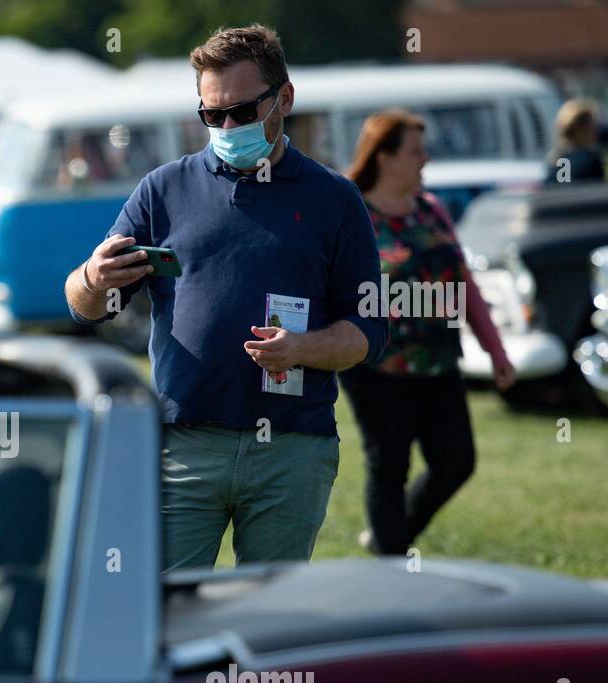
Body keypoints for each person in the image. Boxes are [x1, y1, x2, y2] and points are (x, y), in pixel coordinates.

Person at [64, 24, 387, 571]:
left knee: (269, 614)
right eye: (212, 116)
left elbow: (370, 331)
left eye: (241, 111)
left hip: (292, 448)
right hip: (183, 444)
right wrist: (94, 278)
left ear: (284, 99)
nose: (228, 127)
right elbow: (83, 307)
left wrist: (302, 349)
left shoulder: (335, 198)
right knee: (169, 607)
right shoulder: (163, 189)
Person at [340, 109, 516, 556]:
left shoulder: (432, 210)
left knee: (456, 461)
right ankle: (393, 562)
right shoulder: (352, 213)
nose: (426, 159)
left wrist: (496, 351)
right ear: (385, 157)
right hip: (376, 368)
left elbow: (464, 283)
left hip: (439, 361)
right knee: (389, 466)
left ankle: (389, 540)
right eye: (416, 151)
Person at [545, 98, 607, 186]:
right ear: (581, 130)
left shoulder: (555, 160)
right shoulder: (591, 160)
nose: (596, 130)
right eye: (592, 124)